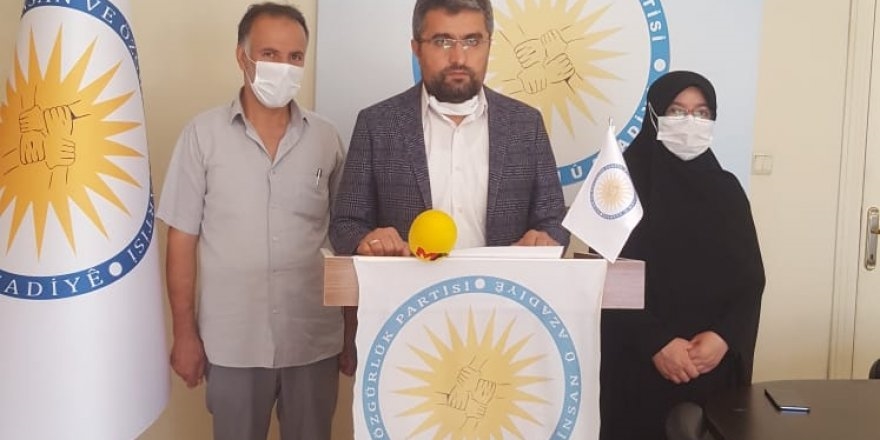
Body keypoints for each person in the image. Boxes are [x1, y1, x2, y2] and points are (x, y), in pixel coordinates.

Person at [157, 3, 353, 439]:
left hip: (313, 339)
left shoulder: (326, 139)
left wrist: (352, 329)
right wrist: (184, 334)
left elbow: (345, 238)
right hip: (232, 344)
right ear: (242, 57)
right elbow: (182, 239)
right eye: (269, 54)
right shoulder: (202, 136)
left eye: (295, 57)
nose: (283, 67)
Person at [329, 0, 569, 257]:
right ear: (416, 48)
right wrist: (369, 241)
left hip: (503, 283)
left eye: (472, 41)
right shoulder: (377, 124)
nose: (458, 58)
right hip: (410, 283)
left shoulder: (526, 125)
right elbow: (346, 225)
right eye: (442, 41)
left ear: (489, 45)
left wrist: (545, 239)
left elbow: (554, 221)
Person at [599, 70, 765, 440]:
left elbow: (751, 280)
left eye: (702, 113)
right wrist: (657, 343)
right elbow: (609, 278)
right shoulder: (619, 187)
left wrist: (723, 337)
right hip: (639, 363)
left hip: (711, 366)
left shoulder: (726, 189)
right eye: (677, 110)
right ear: (654, 115)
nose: (690, 122)